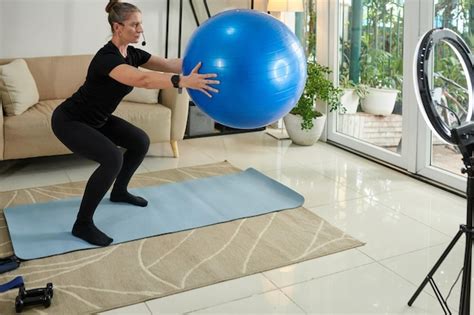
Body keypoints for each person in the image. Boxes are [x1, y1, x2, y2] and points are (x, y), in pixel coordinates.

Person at [51, 0, 219, 247]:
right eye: (135, 24)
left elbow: (169, 63)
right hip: (70, 120)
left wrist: (209, 61)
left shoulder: (132, 53)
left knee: (140, 141)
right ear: (117, 27)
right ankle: (82, 224)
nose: (140, 29)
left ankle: (119, 192)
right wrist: (182, 82)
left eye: (141, 23)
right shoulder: (106, 59)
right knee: (112, 159)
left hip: (98, 119)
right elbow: (142, 80)